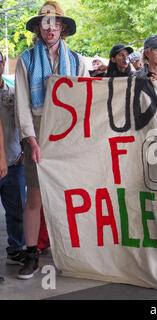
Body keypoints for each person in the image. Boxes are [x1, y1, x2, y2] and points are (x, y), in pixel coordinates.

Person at [15, 0, 88, 280]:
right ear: (39, 28)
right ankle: (31, 253)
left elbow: (83, 101)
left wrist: (80, 136)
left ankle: (68, 251)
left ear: (62, 28)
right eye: (45, 22)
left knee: (67, 192)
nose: (50, 27)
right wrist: (30, 139)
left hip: (66, 131)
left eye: (55, 22)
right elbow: (22, 102)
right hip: (36, 126)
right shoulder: (26, 59)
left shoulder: (78, 61)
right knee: (34, 193)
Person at [0, 51, 26, 267]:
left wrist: (24, 152)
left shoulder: (13, 93)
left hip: (13, 160)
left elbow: (24, 124)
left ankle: (16, 249)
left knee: (16, 210)